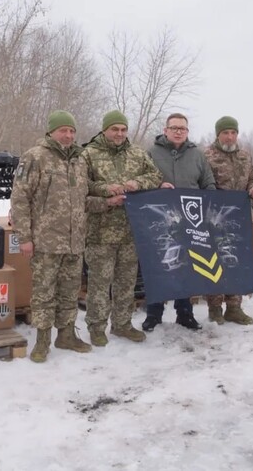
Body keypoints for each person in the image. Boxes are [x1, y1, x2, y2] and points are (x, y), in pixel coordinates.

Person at [10, 110, 92, 363]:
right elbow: (20, 198)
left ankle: (66, 335)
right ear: (51, 131)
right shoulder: (35, 157)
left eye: (72, 131)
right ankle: (42, 341)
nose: (68, 135)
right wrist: (24, 237)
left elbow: (84, 198)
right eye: (63, 130)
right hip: (46, 241)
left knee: (69, 292)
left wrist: (110, 200)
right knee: (44, 293)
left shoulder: (79, 160)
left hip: (74, 242)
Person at [82, 110, 163, 346]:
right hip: (100, 232)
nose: (119, 133)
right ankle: (97, 327)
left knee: (126, 283)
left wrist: (137, 182)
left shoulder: (137, 153)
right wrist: (107, 191)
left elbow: (155, 176)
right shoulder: (89, 154)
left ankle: (122, 324)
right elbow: (80, 187)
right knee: (99, 284)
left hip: (131, 232)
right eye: (114, 129)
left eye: (123, 129)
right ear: (104, 130)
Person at [143, 113, 216, 331]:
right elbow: (141, 179)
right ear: (165, 130)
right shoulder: (151, 153)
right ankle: (153, 313)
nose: (178, 132)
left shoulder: (197, 155)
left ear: (187, 132)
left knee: (186, 267)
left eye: (182, 128)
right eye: (174, 128)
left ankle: (185, 313)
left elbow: (208, 183)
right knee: (159, 264)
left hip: (190, 221)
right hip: (160, 220)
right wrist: (158, 184)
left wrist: (208, 205)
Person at [204, 116, 253, 326]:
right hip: (214, 218)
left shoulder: (245, 155)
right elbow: (201, 183)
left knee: (236, 261)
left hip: (239, 217)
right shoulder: (207, 155)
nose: (230, 137)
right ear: (218, 134)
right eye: (225, 133)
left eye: (233, 132)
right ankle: (215, 308)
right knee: (215, 261)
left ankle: (234, 308)